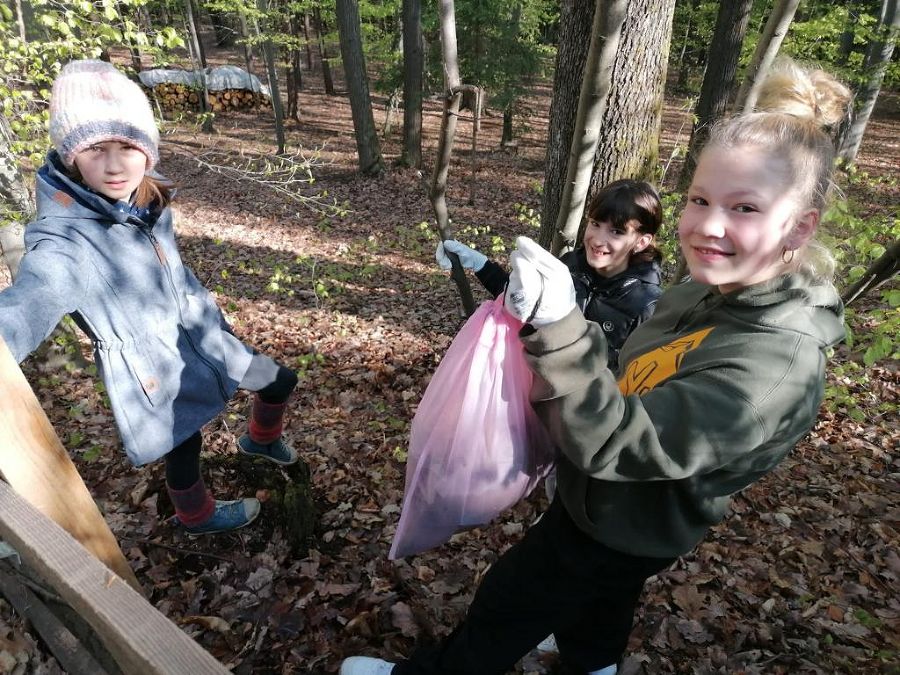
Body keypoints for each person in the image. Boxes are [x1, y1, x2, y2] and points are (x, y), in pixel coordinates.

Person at [341, 57, 851, 675]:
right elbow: (627, 378)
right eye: (700, 198)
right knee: (599, 606)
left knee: (507, 607)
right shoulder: (702, 292)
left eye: (745, 208)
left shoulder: (775, 363)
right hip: (609, 508)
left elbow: (621, 443)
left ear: (799, 227)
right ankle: (593, 665)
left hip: (619, 519)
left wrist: (560, 328)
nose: (709, 225)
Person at [0, 60, 300, 535]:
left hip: (205, 339)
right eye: (97, 148)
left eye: (128, 147)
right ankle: (196, 516)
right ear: (71, 153)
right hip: (152, 367)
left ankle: (260, 442)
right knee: (185, 443)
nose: (116, 165)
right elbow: (38, 293)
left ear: (147, 149)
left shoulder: (145, 201)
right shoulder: (65, 239)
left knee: (279, 380)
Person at [436, 179, 664, 372]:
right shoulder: (569, 266)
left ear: (641, 241)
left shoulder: (647, 304)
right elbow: (524, 302)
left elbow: (636, 380)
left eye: (616, 231)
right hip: (538, 400)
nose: (597, 239)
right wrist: (478, 263)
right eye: (595, 224)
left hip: (590, 418)